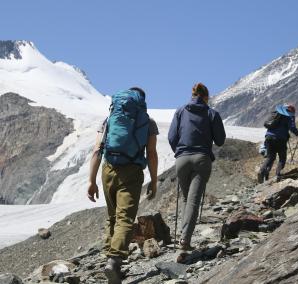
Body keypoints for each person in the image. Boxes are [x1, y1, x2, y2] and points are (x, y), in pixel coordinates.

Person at [87, 87, 158, 283]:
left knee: (112, 217)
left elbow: (96, 150)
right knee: (125, 218)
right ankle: (114, 261)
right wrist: (154, 179)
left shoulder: (110, 119)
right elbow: (151, 153)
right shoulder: (148, 122)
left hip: (108, 170)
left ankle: (110, 261)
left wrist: (91, 181)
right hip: (132, 172)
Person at [168, 83, 226, 261]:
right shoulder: (211, 113)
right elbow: (220, 140)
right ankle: (185, 240)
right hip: (201, 158)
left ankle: (183, 236)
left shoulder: (180, 111)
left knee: (186, 199)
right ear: (206, 97)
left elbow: (171, 137)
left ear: (192, 95)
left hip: (182, 159)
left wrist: (180, 152)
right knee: (193, 200)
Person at [258, 104, 298, 183]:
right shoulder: (289, 116)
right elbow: (292, 127)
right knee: (282, 158)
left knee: (270, 157)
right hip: (280, 139)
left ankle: (261, 171)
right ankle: (278, 175)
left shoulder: (276, 114)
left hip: (269, 137)